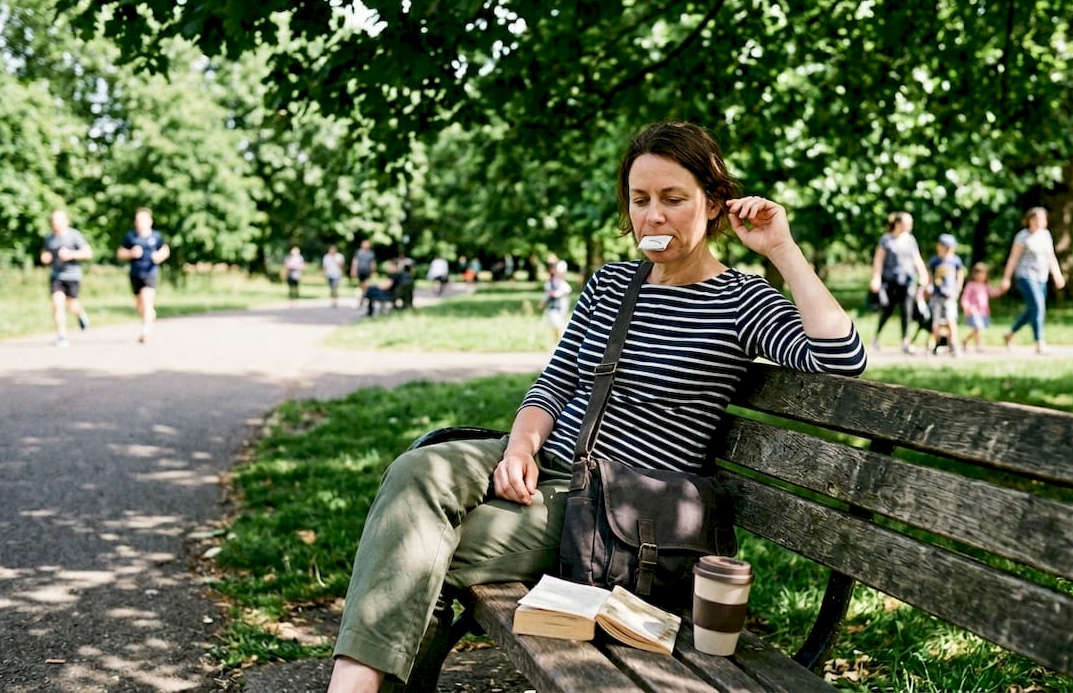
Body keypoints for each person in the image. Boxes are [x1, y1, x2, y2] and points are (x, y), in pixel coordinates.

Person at [325, 120, 867, 692]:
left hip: (613, 509)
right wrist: (519, 446)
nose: (652, 216)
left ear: (712, 204)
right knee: (419, 469)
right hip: (551, 463)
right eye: (640, 200)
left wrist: (781, 247)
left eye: (673, 199)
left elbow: (841, 357)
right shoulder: (610, 284)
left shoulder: (739, 300)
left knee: (412, 549)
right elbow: (554, 384)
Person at [1000, 206, 1066, 354]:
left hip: (1041, 277)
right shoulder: (1022, 236)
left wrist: (1057, 274)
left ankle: (1010, 334)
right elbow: (1013, 258)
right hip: (1025, 276)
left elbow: (1051, 257)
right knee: (1038, 305)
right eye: (1035, 219)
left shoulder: (1045, 235)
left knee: (1032, 310)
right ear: (1028, 220)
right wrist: (1006, 278)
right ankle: (1039, 342)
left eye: (1042, 219)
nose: (1038, 222)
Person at [869, 210, 929, 354]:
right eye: (908, 223)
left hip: (907, 281)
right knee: (887, 309)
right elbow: (879, 260)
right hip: (890, 280)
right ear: (897, 223)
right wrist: (876, 278)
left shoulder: (910, 240)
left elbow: (917, 259)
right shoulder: (886, 239)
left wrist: (924, 275)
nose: (910, 226)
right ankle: (876, 337)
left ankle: (905, 342)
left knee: (907, 311)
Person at [40, 208, 94, 347]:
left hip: (73, 276)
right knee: (57, 304)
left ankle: (80, 315)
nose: (55, 223)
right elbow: (45, 254)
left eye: (58, 220)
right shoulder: (49, 238)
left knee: (72, 305)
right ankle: (62, 336)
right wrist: (45, 258)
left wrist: (71, 254)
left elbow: (88, 253)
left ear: (65, 221)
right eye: (53, 221)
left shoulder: (74, 235)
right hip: (56, 276)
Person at [116, 207, 171, 343]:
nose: (141, 223)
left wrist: (159, 256)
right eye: (138, 220)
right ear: (135, 222)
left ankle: (145, 332)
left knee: (147, 302)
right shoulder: (130, 237)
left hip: (150, 273)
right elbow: (120, 253)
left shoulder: (156, 237)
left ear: (150, 221)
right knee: (139, 305)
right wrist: (130, 253)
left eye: (144, 220)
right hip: (135, 274)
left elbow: (165, 250)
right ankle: (150, 315)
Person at [924, 233, 966, 357]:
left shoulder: (955, 260)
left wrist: (958, 287)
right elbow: (930, 274)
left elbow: (960, 274)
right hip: (936, 295)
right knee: (935, 321)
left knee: (950, 319)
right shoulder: (935, 260)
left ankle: (953, 343)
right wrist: (929, 285)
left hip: (949, 295)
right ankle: (936, 343)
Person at [960, 262, 1004, 352]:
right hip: (973, 311)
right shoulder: (971, 285)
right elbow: (965, 298)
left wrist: (1001, 290)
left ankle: (965, 340)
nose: (981, 276)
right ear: (974, 274)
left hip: (983, 312)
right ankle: (978, 346)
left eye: (983, 274)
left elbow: (992, 293)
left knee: (978, 329)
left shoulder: (985, 285)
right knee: (978, 328)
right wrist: (966, 307)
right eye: (979, 274)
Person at [540, 258, 573, 342]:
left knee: (559, 325)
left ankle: (559, 340)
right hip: (552, 307)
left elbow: (567, 291)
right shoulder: (550, 283)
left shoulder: (562, 284)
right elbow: (547, 295)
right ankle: (558, 340)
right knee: (556, 325)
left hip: (561, 307)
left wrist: (558, 293)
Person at [350, 240, 377, 308]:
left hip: (367, 272)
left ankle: (363, 298)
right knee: (361, 285)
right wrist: (353, 270)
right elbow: (355, 261)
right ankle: (361, 299)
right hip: (360, 271)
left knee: (366, 286)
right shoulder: (358, 252)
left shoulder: (371, 253)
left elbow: (372, 263)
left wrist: (373, 271)